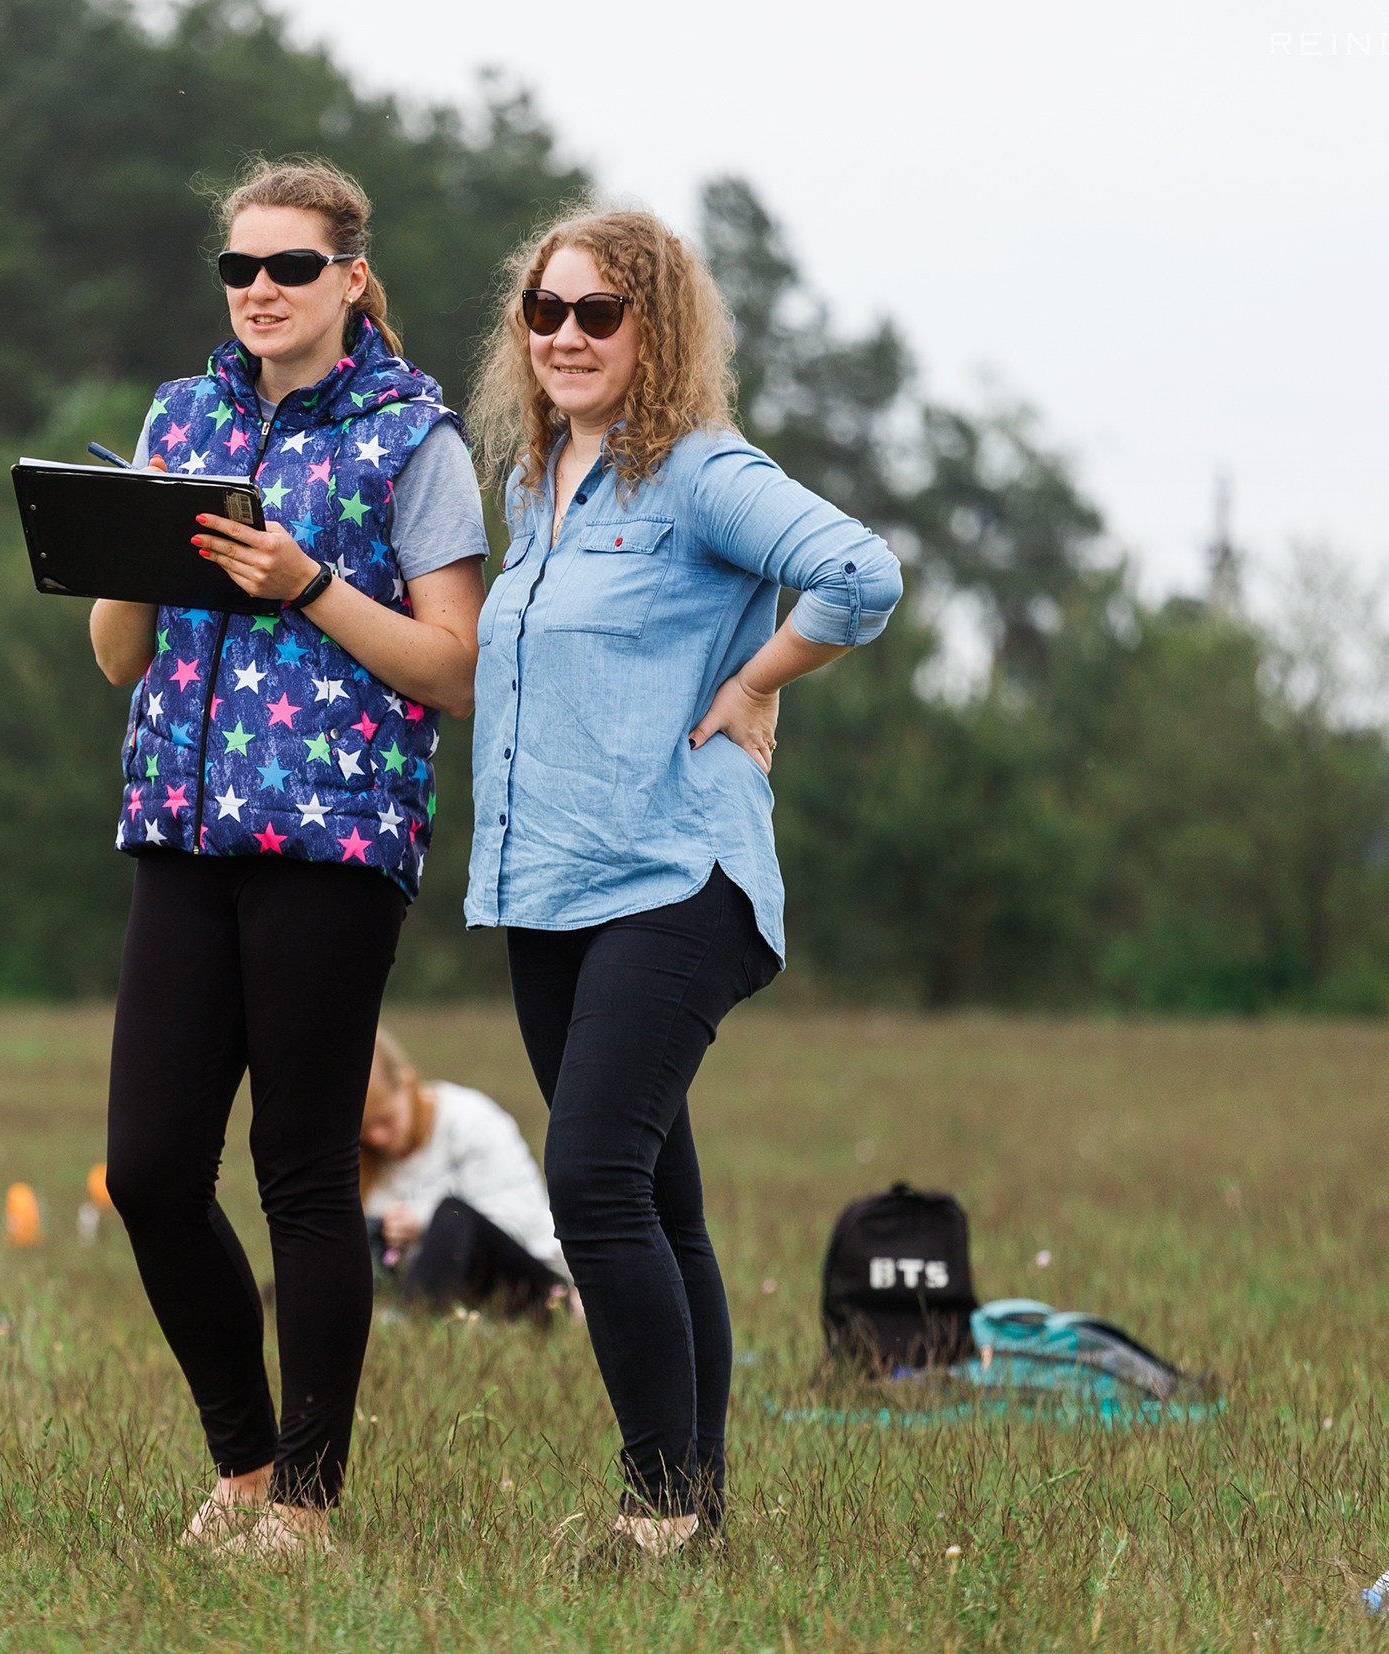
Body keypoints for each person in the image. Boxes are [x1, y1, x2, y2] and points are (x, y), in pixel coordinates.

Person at [464, 207, 904, 1558]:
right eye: (548, 311)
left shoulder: (701, 470)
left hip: (674, 870)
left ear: (655, 328)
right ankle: (698, 1507)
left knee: (591, 1181)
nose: (570, 336)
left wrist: (759, 678)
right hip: (548, 885)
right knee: (656, 1199)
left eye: (602, 312)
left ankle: (654, 1512)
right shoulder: (532, 490)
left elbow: (859, 570)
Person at [88, 157, 488, 1558]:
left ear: (352, 278)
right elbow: (121, 656)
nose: (262, 292)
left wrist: (305, 582)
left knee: (304, 1169)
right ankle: (242, 1460)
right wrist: (130, 547)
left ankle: (304, 1504)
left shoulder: (410, 438)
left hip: (332, 834)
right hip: (180, 826)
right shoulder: (181, 416)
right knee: (146, 1168)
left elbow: (455, 668)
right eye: (240, 271)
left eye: (292, 268)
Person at [359, 1030, 568, 1316]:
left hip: (534, 1279)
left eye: (385, 1120)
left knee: (452, 1216)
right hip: (430, 1289)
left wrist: (424, 1224)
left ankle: (406, 1321)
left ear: (407, 1084)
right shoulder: (365, 1156)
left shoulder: (470, 1120)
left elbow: (520, 1220)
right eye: (365, 1130)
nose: (377, 1138)